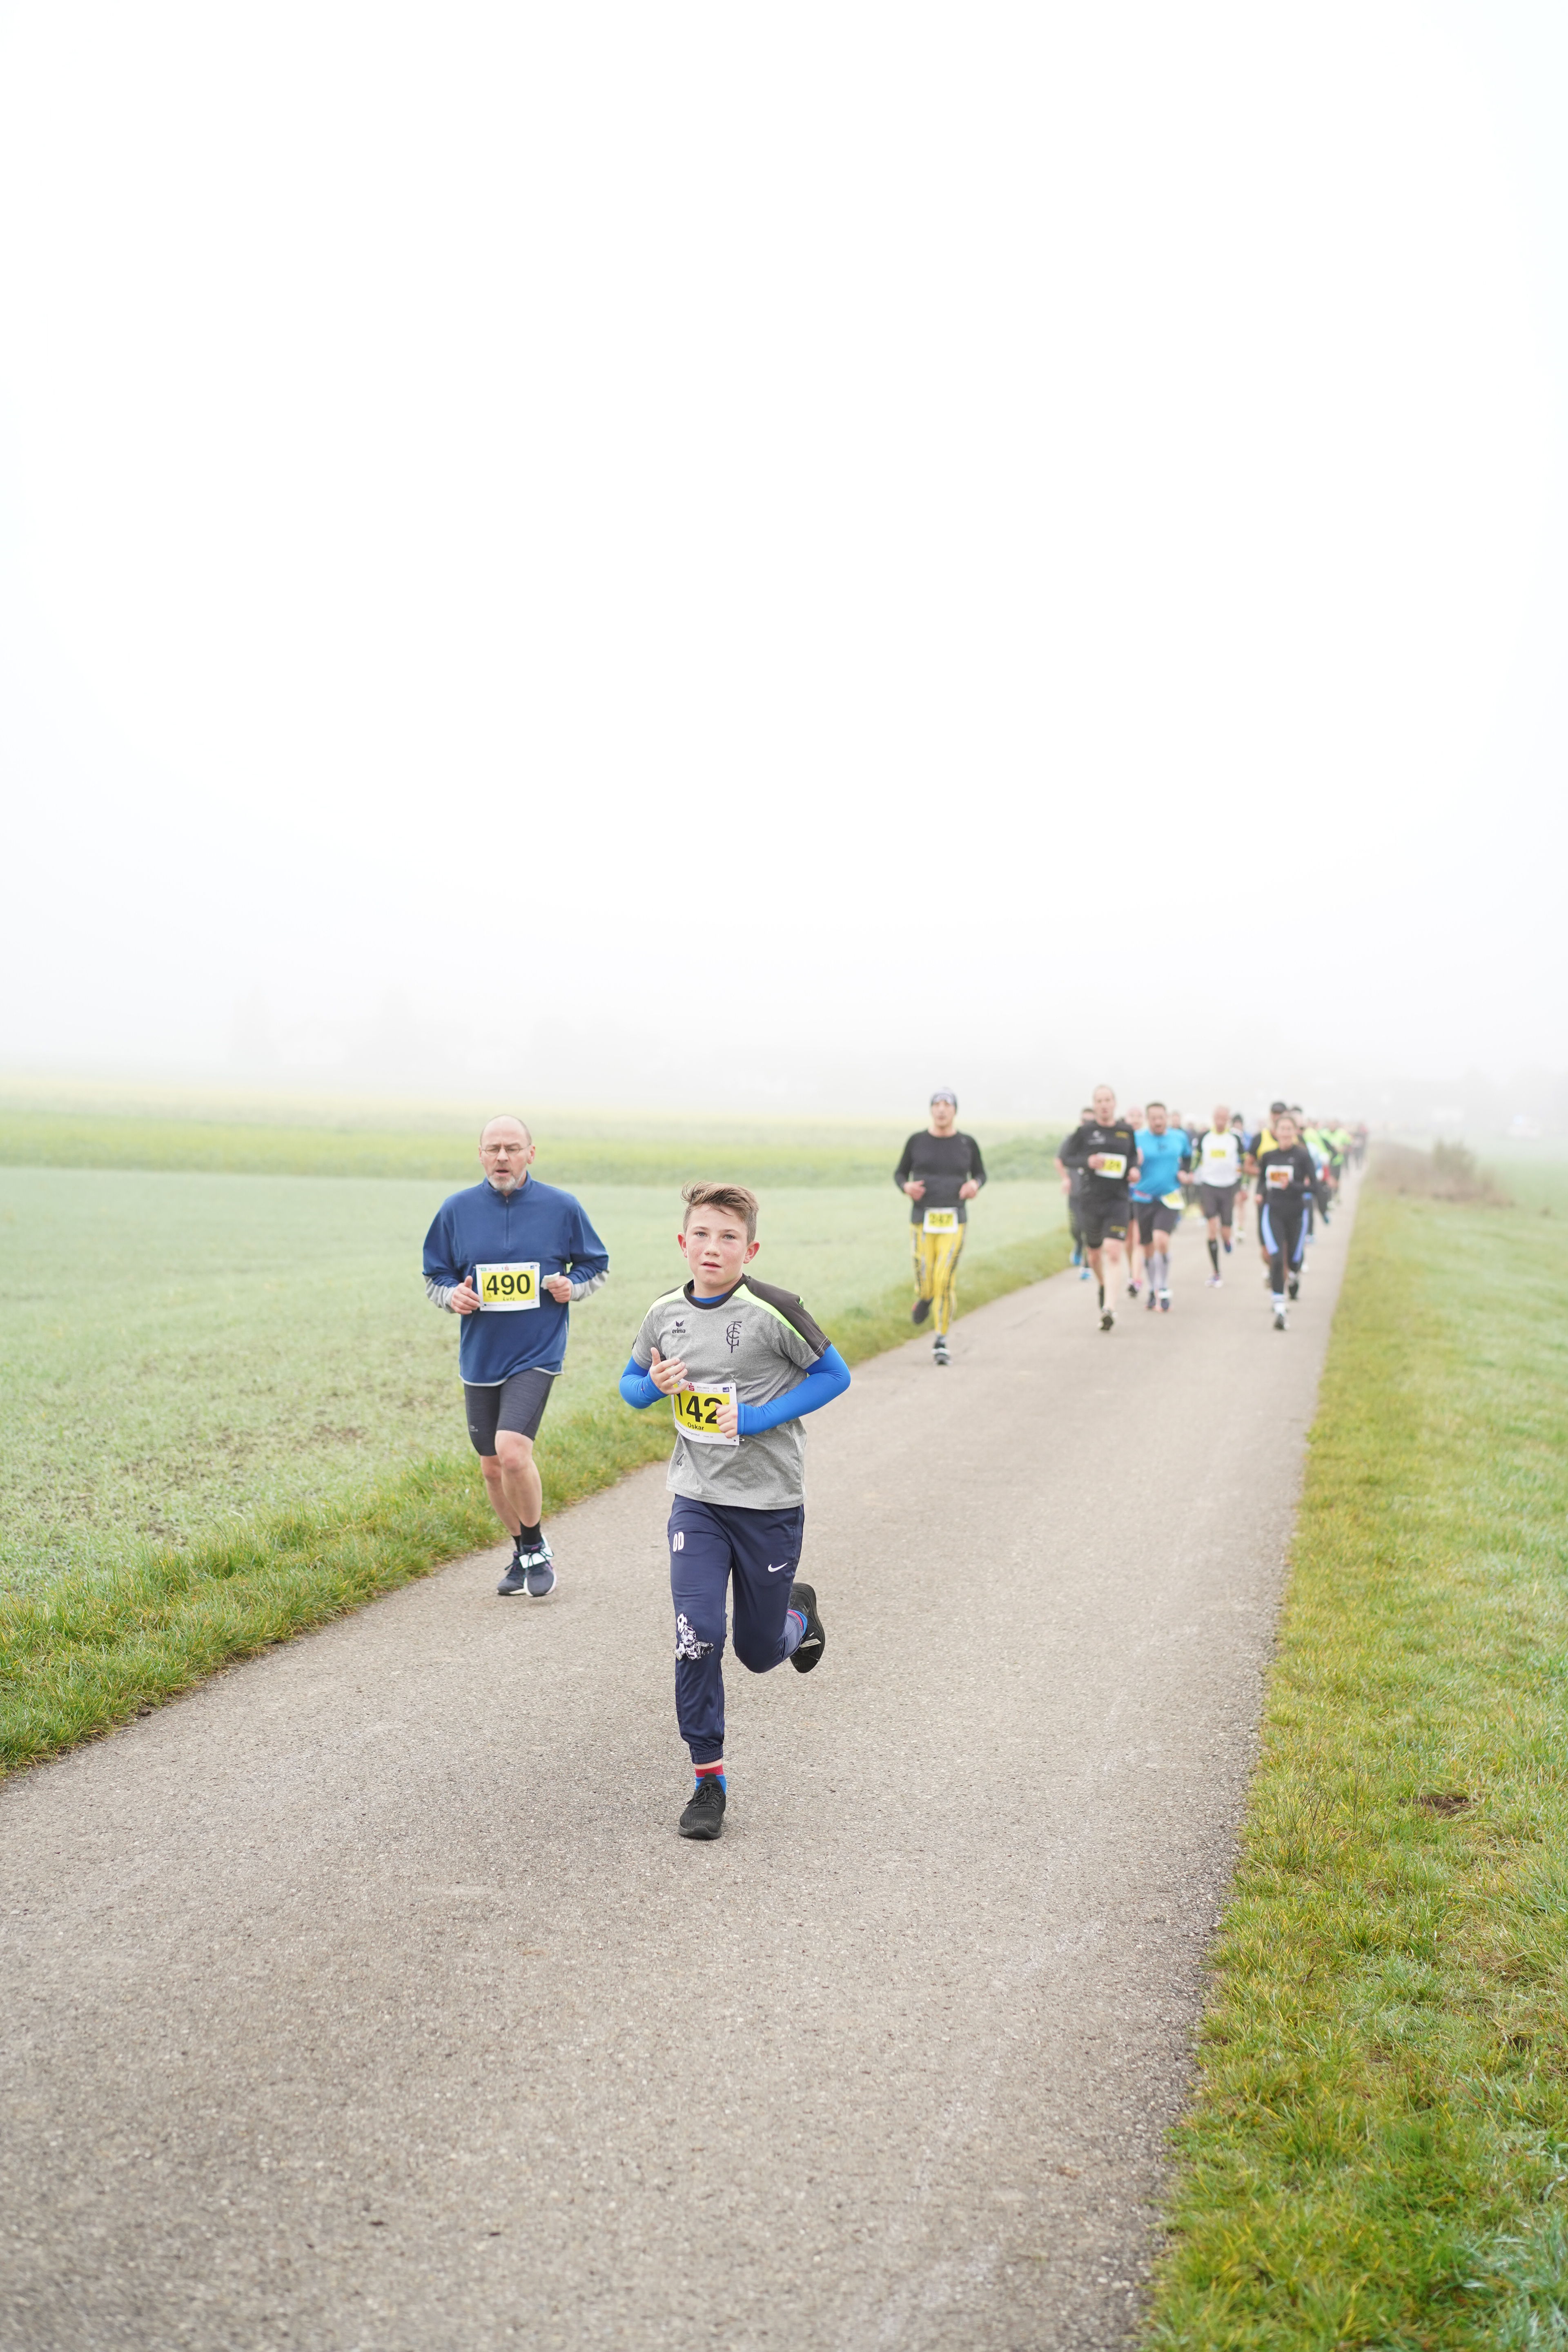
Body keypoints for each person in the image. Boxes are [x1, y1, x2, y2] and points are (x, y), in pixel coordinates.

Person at [619, 1183, 851, 1842]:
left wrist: (757, 1417)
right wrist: (651, 1386)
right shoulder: (664, 1313)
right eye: (701, 1234)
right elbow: (630, 1386)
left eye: (728, 1238)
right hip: (697, 1501)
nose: (712, 1248)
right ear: (683, 1242)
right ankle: (708, 1782)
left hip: (769, 1505)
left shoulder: (775, 1310)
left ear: (750, 1250)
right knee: (697, 1634)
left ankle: (797, 1616)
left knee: (756, 1651)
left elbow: (835, 1376)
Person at [423, 1115, 609, 1598]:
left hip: (537, 1351)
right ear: (480, 1155)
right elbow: (435, 1276)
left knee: (511, 1451)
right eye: (493, 1149)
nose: (502, 1157)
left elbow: (596, 1265)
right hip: (480, 1356)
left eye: (512, 1148)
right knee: (491, 1466)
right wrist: (453, 1297)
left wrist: (573, 1286)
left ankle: (535, 1548)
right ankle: (524, 1550)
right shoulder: (456, 1210)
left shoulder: (562, 1207)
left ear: (531, 1153)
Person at [893, 1090, 987, 1367]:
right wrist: (906, 1187)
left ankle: (941, 1341)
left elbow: (981, 1174)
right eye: (937, 1105)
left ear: (955, 1110)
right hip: (923, 1220)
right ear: (931, 1110)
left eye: (947, 1105)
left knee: (944, 1280)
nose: (942, 1110)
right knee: (927, 1282)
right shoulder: (917, 1141)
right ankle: (924, 1298)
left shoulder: (967, 1143)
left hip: (955, 1219)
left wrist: (974, 1185)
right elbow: (900, 1174)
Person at [1055, 1087, 1142, 1332]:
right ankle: (1104, 1285)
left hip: (1118, 1200)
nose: (1104, 1105)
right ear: (1095, 1105)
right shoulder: (1085, 1132)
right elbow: (1067, 1158)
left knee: (1113, 1251)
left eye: (1108, 1100)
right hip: (1091, 1200)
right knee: (1094, 1256)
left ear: (1115, 1103)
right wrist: (1088, 1162)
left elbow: (1132, 1158)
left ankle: (1109, 1309)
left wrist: (1134, 1171)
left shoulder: (1126, 1131)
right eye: (1099, 1101)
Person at [1254, 1112, 1327, 1330]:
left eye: (1289, 1129)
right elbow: (1262, 1182)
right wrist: (1260, 1194)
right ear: (1275, 1132)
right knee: (1277, 1258)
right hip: (1273, 1212)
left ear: (1295, 1132)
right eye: (1282, 1129)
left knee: (1294, 1260)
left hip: (1296, 1213)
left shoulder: (1303, 1156)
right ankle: (1279, 1307)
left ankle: (1294, 1276)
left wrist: (1293, 1186)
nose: (1285, 1133)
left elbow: (1314, 1187)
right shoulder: (1268, 1156)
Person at [1129, 1102, 1193, 1312]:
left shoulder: (1179, 1137)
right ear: (1148, 1120)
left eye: (1161, 1118)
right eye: (1154, 1118)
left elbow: (1187, 1157)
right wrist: (1135, 1165)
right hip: (1143, 1198)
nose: (1158, 1122)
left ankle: (1163, 1287)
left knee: (1161, 1239)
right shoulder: (1137, 1138)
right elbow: (1130, 1163)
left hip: (1169, 1197)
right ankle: (1152, 1288)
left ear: (1167, 1118)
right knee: (1147, 1246)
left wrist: (1184, 1172)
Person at [1192, 1105, 1244, 1282]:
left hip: (1228, 1186)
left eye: (1224, 1119)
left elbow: (1244, 1160)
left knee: (1225, 1231)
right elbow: (1197, 1158)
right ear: (1213, 1119)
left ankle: (1228, 1241)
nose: (1221, 1122)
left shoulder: (1235, 1138)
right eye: (1218, 1118)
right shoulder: (1205, 1137)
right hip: (1209, 1185)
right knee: (1212, 1226)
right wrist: (1191, 1173)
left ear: (1228, 1120)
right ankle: (1216, 1272)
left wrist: (1243, 1185)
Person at [1055, 1105, 1097, 1280]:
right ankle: (1078, 1244)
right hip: (1075, 1193)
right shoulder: (1072, 1140)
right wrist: (1066, 1179)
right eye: (1084, 1121)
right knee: (1077, 1228)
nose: (1087, 1124)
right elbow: (1059, 1160)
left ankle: (1087, 1266)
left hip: (1094, 1194)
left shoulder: (1099, 1141)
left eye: (1090, 1121)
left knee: (1090, 1230)